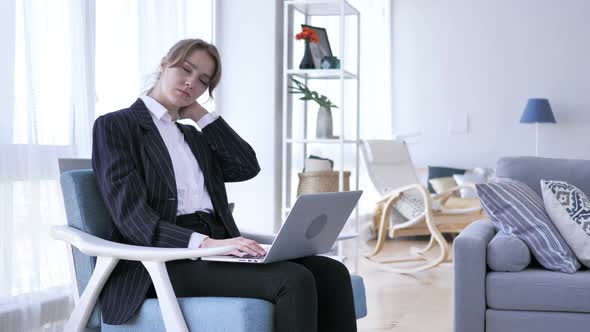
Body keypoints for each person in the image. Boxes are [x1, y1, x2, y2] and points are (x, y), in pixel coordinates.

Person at [91, 38, 357, 331]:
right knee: (293, 280)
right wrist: (207, 244)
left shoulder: (192, 136)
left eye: (203, 81)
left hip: (219, 248)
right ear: (164, 63)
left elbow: (246, 165)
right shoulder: (115, 126)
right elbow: (133, 218)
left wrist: (200, 115)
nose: (191, 83)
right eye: (186, 69)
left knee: (332, 272)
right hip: (164, 260)